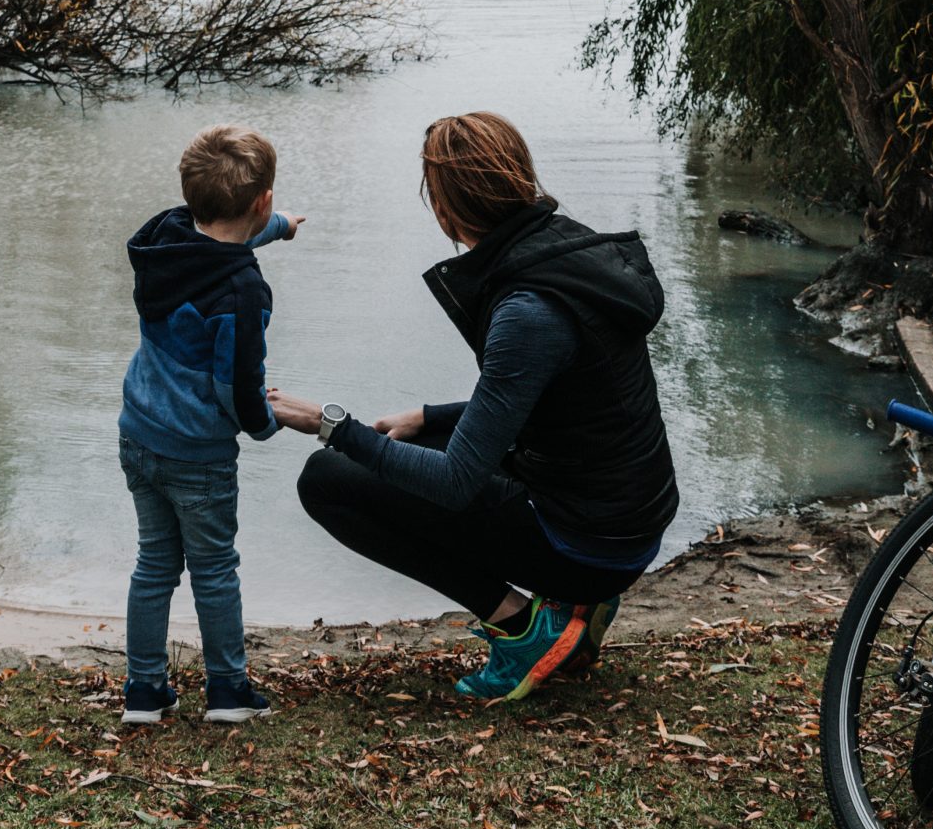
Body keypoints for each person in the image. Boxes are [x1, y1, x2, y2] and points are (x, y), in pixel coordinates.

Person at [270, 113, 678, 703]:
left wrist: (327, 424)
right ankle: (572, 609)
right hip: (627, 521)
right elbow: (556, 399)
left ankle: (522, 627)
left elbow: (458, 481)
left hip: (589, 546)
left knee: (329, 479)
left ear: (445, 212)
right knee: (401, 450)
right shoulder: (566, 250)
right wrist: (429, 418)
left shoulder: (527, 309)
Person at [116, 124, 306, 727]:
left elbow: (217, 235)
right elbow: (235, 384)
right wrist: (265, 422)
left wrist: (277, 228)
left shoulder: (163, 243)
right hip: (198, 454)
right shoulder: (244, 294)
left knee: (154, 565)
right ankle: (227, 690)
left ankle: (144, 693)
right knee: (214, 568)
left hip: (139, 433)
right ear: (263, 200)